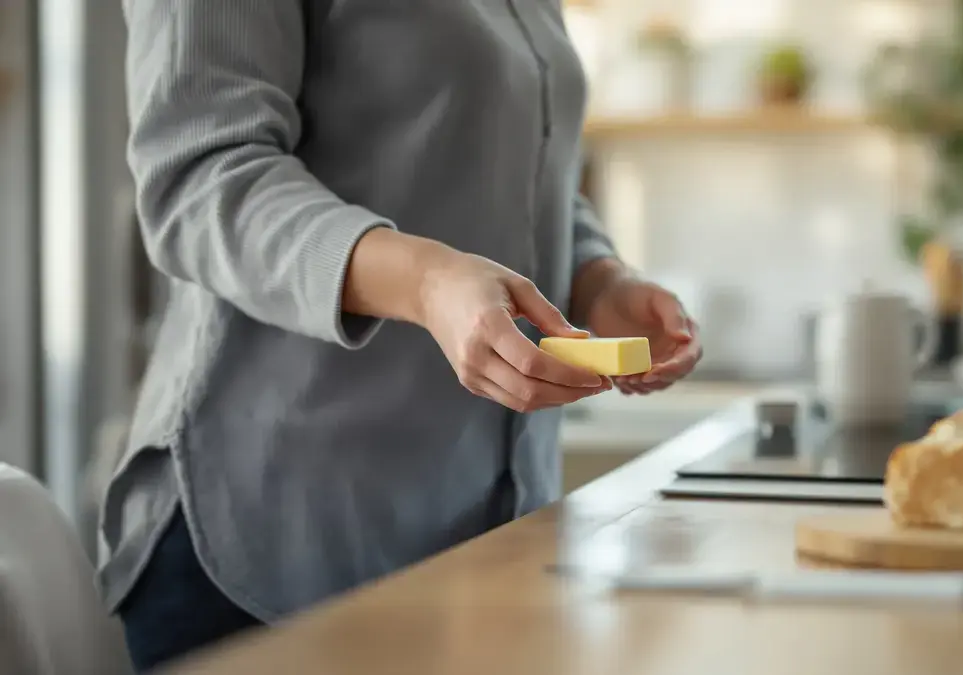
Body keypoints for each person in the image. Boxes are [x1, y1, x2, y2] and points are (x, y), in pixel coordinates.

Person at [101, 2, 702, 671]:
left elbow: (506, 158)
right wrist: (424, 282)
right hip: (267, 549)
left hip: (478, 550)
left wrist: (597, 279)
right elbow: (198, 174)